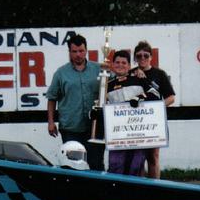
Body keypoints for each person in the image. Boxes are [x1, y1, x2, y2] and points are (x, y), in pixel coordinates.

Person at [46, 34, 104, 170]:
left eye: (81, 51)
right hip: (70, 127)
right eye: (74, 51)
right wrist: (50, 122)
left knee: (96, 164)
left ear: (86, 50)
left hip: (94, 128)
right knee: (73, 165)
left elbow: (119, 80)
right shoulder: (61, 73)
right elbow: (52, 98)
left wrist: (137, 73)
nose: (78, 54)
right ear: (69, 52)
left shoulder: (99, 69)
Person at [106, 50, 160, 176]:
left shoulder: (139, 79)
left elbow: (156, 94)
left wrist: (139, 97)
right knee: (115, 166)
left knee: (136, 166)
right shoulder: (108, 85)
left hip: (137, 133)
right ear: (112, 65)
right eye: (117, 62)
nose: (120, 65)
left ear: (129, 66)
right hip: (118, 134)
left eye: (124, 63)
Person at [133, 40, 175, 179]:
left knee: (153, 156)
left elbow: (171, 98)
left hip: (154, 120)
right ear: (135, 58)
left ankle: (155, 188)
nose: (143, 58)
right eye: (139, 56)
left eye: (146, 55)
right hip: (135, 121)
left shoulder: (159, 74)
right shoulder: (131, 73)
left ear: (151, 57)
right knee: (137, 158)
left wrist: (155, 108)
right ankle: (139, 189)